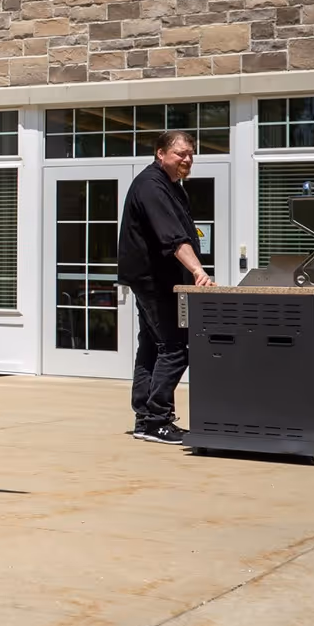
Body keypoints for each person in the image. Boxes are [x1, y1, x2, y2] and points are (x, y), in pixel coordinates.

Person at [118, 129, 213, 445]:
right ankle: (157, 420)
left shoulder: (173, 187)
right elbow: (173, 238)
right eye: (180, 153)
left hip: (158, 281)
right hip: (155, 282)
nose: (187, 159)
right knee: (175, 348)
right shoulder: (152, 186)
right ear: (160, 153)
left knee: (151, 346)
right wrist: (198, 270)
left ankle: (146, 420)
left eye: (190, 154)